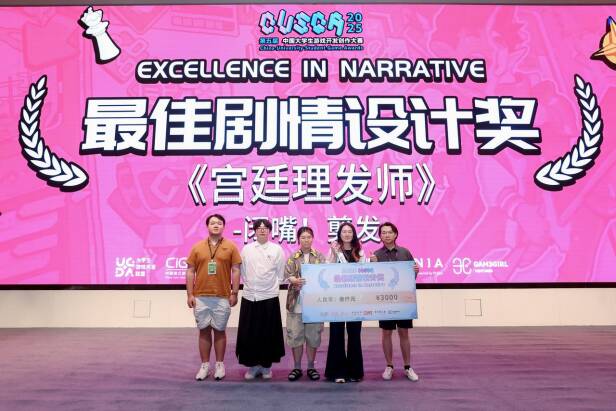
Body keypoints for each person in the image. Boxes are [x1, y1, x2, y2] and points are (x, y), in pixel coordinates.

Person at [186, 214, 241, 381]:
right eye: (212, 223)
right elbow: (190, 271)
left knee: (220, 331)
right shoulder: (197, 247)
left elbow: (236, 270)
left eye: (219, 223)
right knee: (203, 331)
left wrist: (234, 293)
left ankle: (219, 364)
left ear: (223, 226)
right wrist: (190, 294)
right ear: (207, 226)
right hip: (201, 296)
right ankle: (204, 365)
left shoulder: (231, 246)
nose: (216, 225)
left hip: (222, 296)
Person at [236, 219, 286, 380]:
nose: (262, 230)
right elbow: (242, 271)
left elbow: (280, 274)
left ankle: (266, 366)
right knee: (250, 333)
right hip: (250, 296)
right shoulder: (247, 249)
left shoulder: (277, 249)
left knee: (268, 333)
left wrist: (271, 288)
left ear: (270, 231)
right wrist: (252, 285)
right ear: (255, 231)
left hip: (269, 296)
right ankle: (252, 366)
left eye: (265, 228)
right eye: (259, 228)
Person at [370, 222, 420, 382]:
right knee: (386, 333)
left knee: (404, 332)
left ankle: (407, 367)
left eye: (389, 232)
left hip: (403, 300)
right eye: (383, 232)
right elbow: (373, 279)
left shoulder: (405, 252)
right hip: (385, 301)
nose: (386, 235)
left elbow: (411, 277)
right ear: (380, 236)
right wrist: (372, 265)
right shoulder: (376, 255)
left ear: (395, 234)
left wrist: (416, 271)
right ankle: (389, 366)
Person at [324, 222, 368, 383]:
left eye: (350, 231)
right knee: (336, 334)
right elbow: (326, 270)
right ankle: (338, 372)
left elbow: (365, 273)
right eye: (344, 231)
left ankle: (355, 372)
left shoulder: (360, 251)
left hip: (356, 300)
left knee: (354, 335)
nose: (347, 234)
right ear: (339, 234)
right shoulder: (334, 249)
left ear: (354, 234)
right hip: (337, 299)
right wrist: (334, 254)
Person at [284, 226, 327, 381]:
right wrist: (293, 279)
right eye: (303, 237)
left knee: (313, 336)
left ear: (313, 238)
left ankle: (310, 367)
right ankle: (297, 367)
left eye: (308, 237)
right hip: (296, 302)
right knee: (295, 335)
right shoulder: (292, 257)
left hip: (314, 303)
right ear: (298, 239)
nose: (306, 240)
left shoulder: (320, 257)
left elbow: (325, 275)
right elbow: (287, 274)